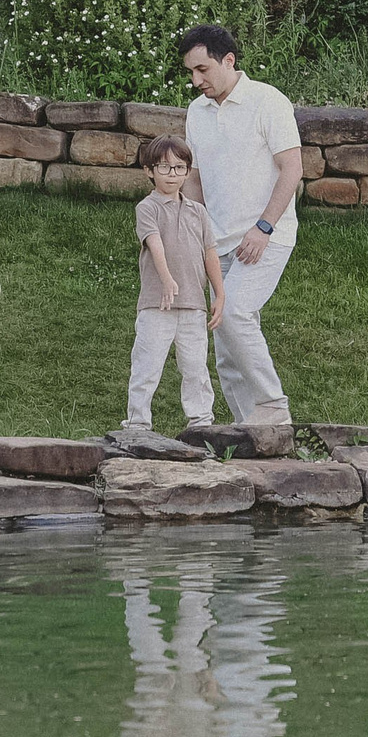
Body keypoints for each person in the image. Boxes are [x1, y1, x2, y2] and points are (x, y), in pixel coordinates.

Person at [177, 23, 302, 425]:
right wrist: (197, 234)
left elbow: (292, 169)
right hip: (219, 240)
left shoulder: (268, 101)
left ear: (228, 60)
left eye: (203, 70)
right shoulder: (196, 112)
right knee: (226, 349)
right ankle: (250, 432)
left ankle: (273, 408)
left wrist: (263, 227)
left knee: (234, 315)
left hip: (265, 236)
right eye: (190, 73)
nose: (196, 81)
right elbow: (193, 176)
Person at [126, 134, 225, 432]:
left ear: (187, 171)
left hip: (193, 304)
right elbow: (154, 243)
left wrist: (219, 293)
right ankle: (137, 424)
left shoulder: (198, 211)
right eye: (165, 168)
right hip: (158, 304)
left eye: (180, 168)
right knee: (147, 365)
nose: (173, 174)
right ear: (149, 171)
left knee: (195, 368)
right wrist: (167, 279)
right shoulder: (148, 208)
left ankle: (201, 423)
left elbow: (210, 254)